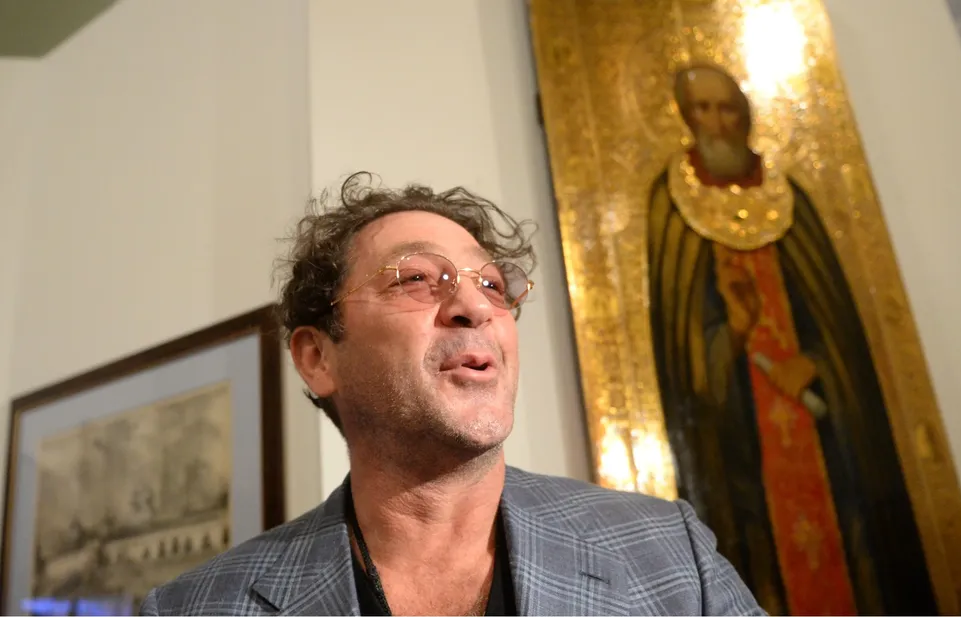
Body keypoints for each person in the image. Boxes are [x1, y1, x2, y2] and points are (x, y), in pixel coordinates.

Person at [139, 171, 765, 616]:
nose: (475, 306)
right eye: (415, 278)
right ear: (317, 357)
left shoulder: (670, 553)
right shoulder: (196, 607)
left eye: (492, 285)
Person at [646, 64, 935, 615]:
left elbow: (840, 326)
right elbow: (681, 356)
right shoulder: (670, 205)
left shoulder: (789, 196)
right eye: (702, 109)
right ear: (684, 117)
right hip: (739, 447)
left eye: (726, 107)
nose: (716, 123)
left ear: (745, 114)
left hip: (826, 434)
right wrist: (733, 333)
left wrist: (819, 363)